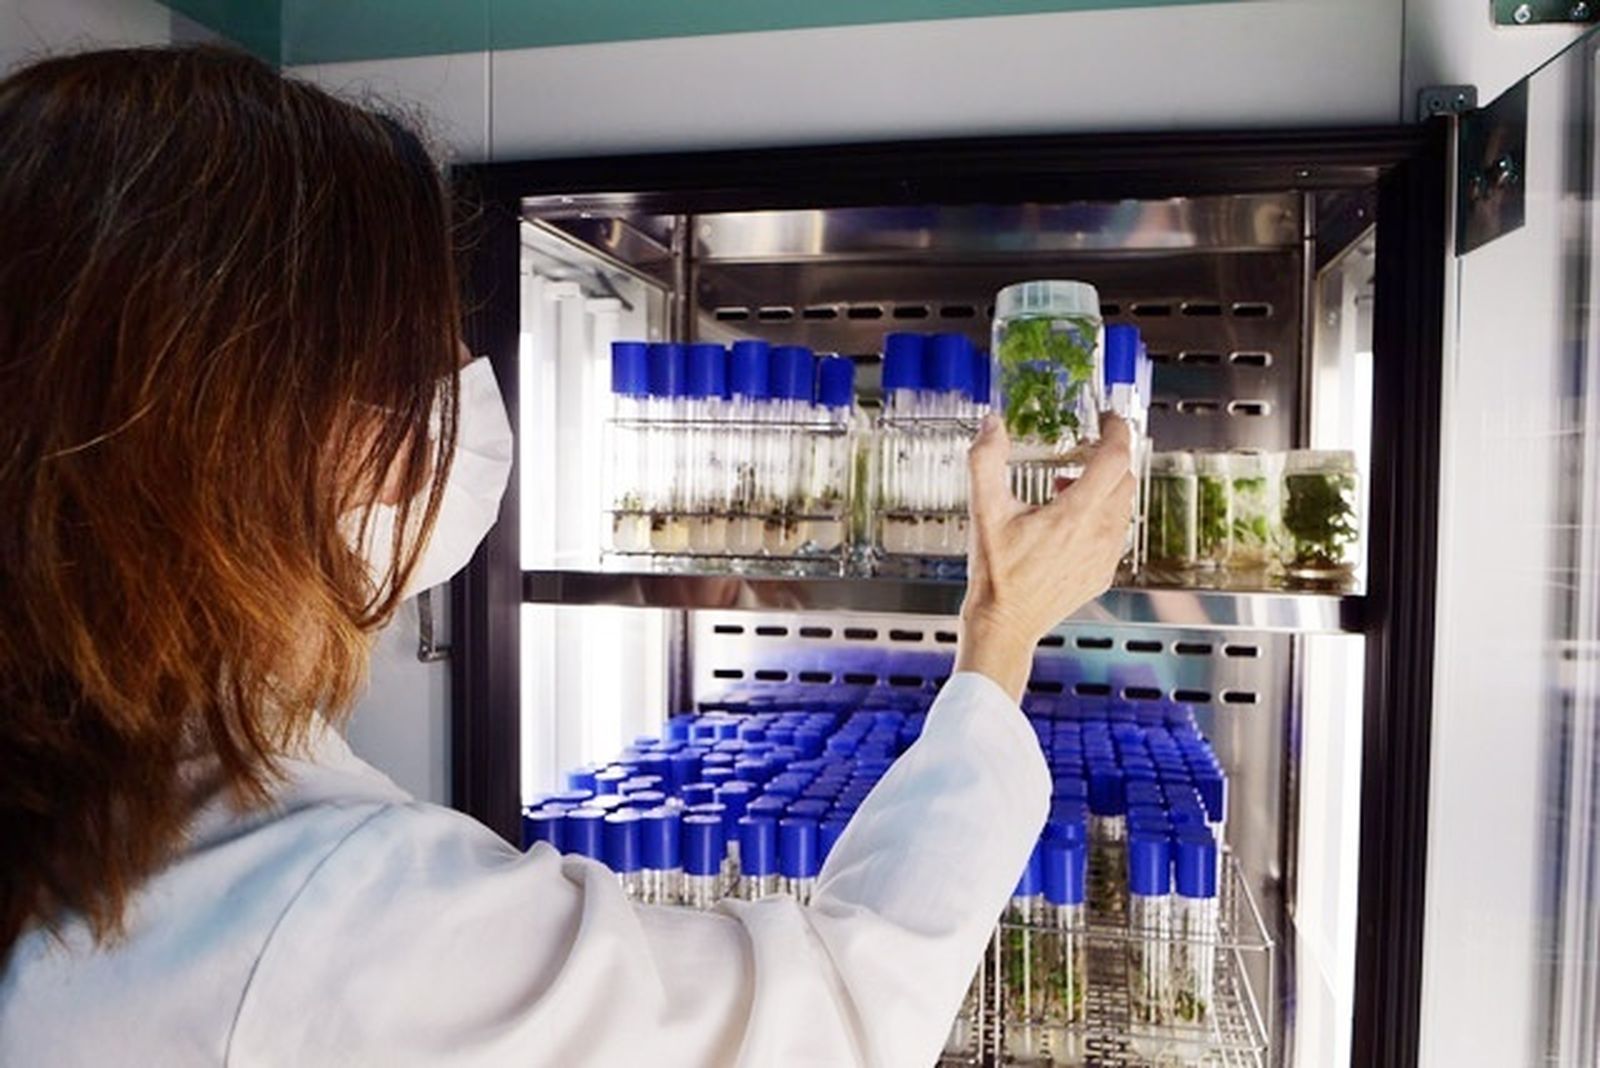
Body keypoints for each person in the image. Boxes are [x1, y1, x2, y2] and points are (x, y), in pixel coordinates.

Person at [0, 46, 1134, 1067]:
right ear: (256, 425)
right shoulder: (334, 920)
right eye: (415, 355)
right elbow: (841, 1022)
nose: (450, 398)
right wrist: (1002, 633)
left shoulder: (95, 808)